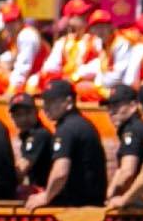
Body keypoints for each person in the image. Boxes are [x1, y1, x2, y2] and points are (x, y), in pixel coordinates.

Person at [25, 78, 110, 209]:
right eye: (44, 102)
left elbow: (60, 172)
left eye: (51, 102)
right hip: (92, 204)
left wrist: (46, 196)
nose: (45, 107)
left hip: (79, 210)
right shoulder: (82, 123)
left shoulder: (67, 129)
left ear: (68, 102)